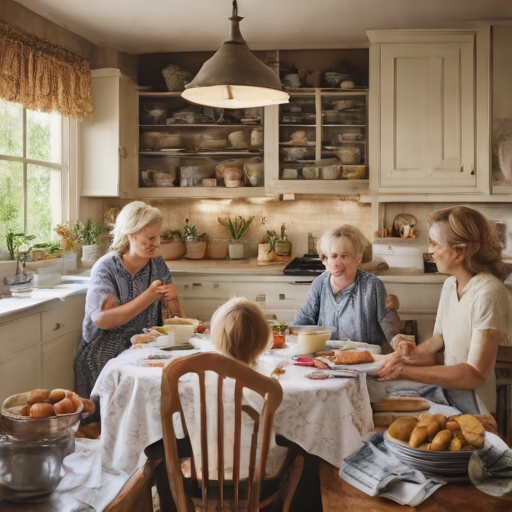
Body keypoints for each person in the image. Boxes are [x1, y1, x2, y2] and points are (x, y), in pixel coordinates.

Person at [377, 206, 512, 414]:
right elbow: (436, 345)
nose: (429, 250)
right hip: (447, 397)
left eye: (434, 244)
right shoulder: (450, 284)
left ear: (460, 251)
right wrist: (408, 354)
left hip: (476, 409)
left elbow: (474, 374)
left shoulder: (488, 292)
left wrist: (405, 370)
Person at [74, 201, 183, 398]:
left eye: (158, 237)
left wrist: (174, 299)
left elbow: (175, 319)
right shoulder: (105, 268)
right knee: (103, 425)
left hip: (144, 351)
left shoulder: (156, 263)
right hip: (103, 356)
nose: (157, 243)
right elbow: (103, 319)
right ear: (131, 235)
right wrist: (149, 295)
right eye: (150, 237)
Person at [294, 225, 400, 348]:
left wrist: (398, 342)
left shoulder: (372, 285)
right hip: (327, 357)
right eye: (333, 256)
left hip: (365, 357)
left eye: (344, 256)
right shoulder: (319, 284)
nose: (336, 264)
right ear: (326, 260)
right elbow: (304, 320)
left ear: (358, 258)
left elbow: (389, 327)